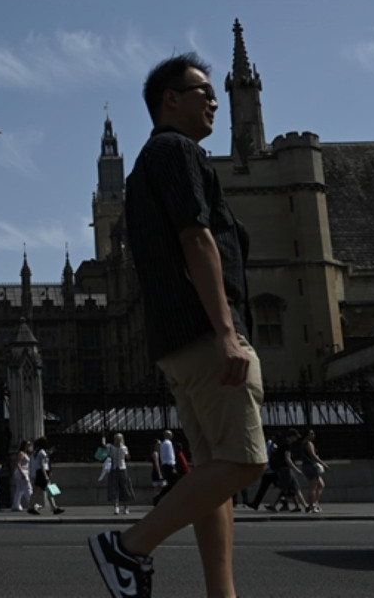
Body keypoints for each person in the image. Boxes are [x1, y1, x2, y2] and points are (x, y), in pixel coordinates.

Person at [89, 52, 268, 598]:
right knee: (244, 462)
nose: (213, 101)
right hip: (203, 334)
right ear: (170, 100)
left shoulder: (146, 166)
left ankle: (223, 593)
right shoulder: (177, 150)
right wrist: (225, 331)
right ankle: (130, 545)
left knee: (213, 472)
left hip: (174, 341)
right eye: (202, 92)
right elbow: (197, 238)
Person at [245, 435, 279, 511]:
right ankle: (255, 503)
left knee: (271, 488)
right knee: (266, 488)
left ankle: (256, 503)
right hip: (270, 470)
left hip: (270, 470)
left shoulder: (269, 444)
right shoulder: (272, 445)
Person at [32, 436, 64, 515]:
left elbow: (45, 457)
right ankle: (53, 507)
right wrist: (46, 475)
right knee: (40, 491)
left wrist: (50, 452)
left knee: (46, 490)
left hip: (41, 472)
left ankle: (54, 507)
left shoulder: (40, 451)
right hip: (42, 473)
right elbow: (42, 464)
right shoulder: (41, 452)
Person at [103, 434, 133, 515]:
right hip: (117, 469)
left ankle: (123, 507)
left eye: (117, 439)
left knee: (122, 488)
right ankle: (119, 507)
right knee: (117, 489)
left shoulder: (122, 448)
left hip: (120, 469)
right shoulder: (113, 447)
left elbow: (127, 457)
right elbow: (128, 457)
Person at [300, 429, 328, 513]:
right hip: (310, 466)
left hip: (307, 465)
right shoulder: (308, 443)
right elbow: (313, 455)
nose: (313, 435)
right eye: (311, 433)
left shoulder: (303, 443)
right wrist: (324, 464)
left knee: (321, 485)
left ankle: (315, 503)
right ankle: (312, 505)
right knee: (313, 486)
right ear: (307, 435)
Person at [152, 430, 178, 506]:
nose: (172, 436)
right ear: (168, 435)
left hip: (164, 465)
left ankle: (160, 497)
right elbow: (170, 456)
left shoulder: (163, 444)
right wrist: (173, 466)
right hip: (169, 465)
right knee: (172, 484)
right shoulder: (168, 443)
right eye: (171, 435)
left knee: (170, 484)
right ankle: (159, 497)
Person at [11, 440, 34, 513]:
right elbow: (18, 464)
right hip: (21, 473)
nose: (28, 446)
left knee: (19, 490)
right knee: (28, 488)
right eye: (27, 445)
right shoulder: (21, 453)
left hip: (23, 472)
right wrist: (22, 474)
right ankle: (32, 503)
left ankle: (16, 505)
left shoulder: (25, 453)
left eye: (29, 445)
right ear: (24, 445)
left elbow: (24, 465)